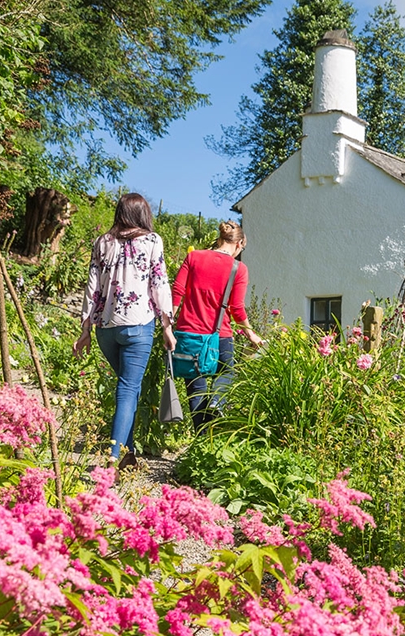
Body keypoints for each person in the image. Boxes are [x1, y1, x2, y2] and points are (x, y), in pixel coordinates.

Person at [73, 193, 175, 469]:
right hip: (138, 325)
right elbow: (159, 283)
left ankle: (128, 455)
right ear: (143, 214)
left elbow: (92, 287)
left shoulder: (102, 242)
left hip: (106, 329)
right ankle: (113, 458)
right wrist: (167, 326)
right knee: (128, 389)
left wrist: (85, 329)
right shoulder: (153, 241)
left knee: (128, 388)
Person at [171, 221, 264, 431]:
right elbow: (237, 308)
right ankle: (217, 402)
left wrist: (168, 324)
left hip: (188, 334)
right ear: (239, 244)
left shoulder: (194, 257)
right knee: (227, 372)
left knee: (196, 389)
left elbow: (177, 291)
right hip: (219, 336)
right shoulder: (238, 268)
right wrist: (251, 335)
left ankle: (201, 442)